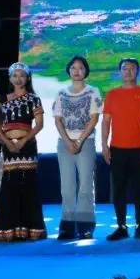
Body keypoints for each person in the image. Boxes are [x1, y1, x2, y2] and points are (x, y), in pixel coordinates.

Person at [101, 58, 140, 241]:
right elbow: (106, 122)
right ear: (120, 72)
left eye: (132, 68)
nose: (128, 71)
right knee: (119, 189)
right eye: (125, 68)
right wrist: (104, 145)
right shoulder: (112, 95)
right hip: (117, 148)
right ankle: (121, 226)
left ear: (137, 72)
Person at [0, 62, 47, 241]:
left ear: (27, 78)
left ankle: (30, 230)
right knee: (9, 187)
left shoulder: (34, 98)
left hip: (27, 147)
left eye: (22, 75)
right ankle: (8, 230)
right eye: (14, 75)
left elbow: (39, 124)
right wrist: (7, 142)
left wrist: (23, 140)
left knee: (28, 186)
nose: (18, 78)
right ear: (10, 78)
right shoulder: (2, 99)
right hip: (8, 148)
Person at [52, 56, 102, 240]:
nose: (76, 71)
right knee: (67, 187)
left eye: (80, 68)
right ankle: (67, 226)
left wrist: (79, 141)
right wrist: (68, 141)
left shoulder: (93, 91)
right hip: (64, 144)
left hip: (86, 142)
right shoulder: (61, 93)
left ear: (86, 71)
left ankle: (85, 226)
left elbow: (94, 119)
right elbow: (58, 120)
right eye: (73, 67)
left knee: (86, 187)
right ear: (69, 70)